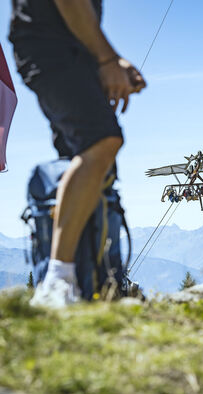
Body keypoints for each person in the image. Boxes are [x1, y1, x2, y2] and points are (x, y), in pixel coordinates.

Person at [9, 0, 146, 307]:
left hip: (64, 47)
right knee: (101, 141)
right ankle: (58, 281)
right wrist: (108, 59)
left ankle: (89, 280)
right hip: (50, 45)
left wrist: (110, 61)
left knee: (83, 158)